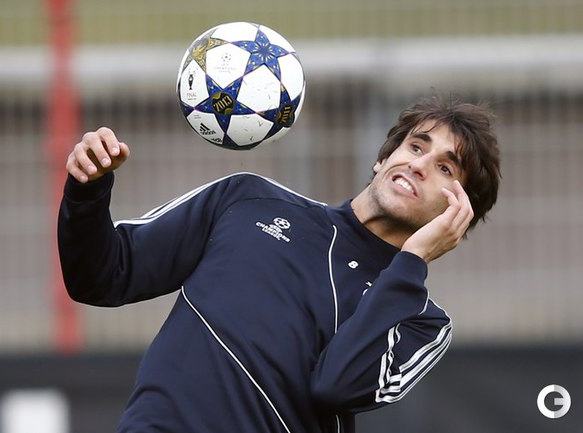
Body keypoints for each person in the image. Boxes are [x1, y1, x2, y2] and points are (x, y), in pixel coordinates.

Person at [58, 95, 500, 433]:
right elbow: (103, 276)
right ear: (383, 159)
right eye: (416, 146)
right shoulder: (247, 199)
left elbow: (337, 385)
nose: (420, 165)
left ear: (458, 213)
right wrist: (88, 190)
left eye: (446, 169)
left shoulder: (421, 320)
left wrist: (412, 261)